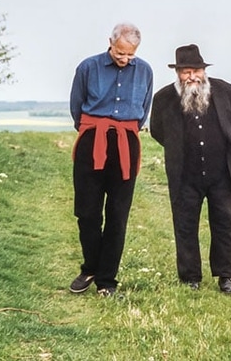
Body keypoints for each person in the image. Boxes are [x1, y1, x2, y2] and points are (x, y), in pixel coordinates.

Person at [68, 22, 154, 297]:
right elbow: (76, 107)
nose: (125, 59)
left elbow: (144, 109)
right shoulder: (87, 68)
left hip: (126, 143)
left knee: (118, 214)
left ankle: (107, 281)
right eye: (120, 53)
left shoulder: (145, 71)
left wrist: (125, 132)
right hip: (93, 138)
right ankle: (90, 267)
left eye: (130, 54)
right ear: (111, 43)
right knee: (87, 211)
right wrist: (93, 129)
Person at [150, 44, 231, 294]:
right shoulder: (163, 98)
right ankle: (190, 276)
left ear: (204, 70)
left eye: (196, 70)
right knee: (185, 224)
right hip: (184, 173)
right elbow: (158, 131)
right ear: (178, 74)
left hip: (220, 171)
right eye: (185, 72)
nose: (192, 77)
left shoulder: (224, 91)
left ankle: (225, 276)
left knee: (225, 223)